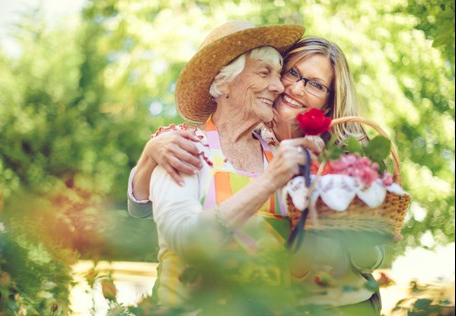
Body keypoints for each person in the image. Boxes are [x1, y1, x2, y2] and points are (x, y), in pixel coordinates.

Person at [128, 31, 383, 313]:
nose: (287, 87)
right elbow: (161, 222)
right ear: (226, 81)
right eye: (290, 73)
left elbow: (362, 253)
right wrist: (148, 157)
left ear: (329, 101)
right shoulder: (186, 145)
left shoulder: (326, 155)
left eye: (314, 84)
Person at [135, 20, 321, 309]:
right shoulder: (182, 148)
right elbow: (186, 241)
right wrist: (269, 182)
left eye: (278, 73)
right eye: (264, 72)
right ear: (225, 83)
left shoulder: (279, 154)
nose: (278, 85)